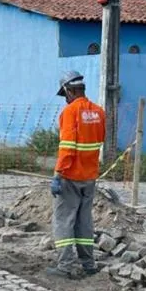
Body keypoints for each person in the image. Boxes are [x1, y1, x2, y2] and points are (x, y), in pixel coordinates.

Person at [48, 71, 106, 280]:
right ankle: (88, 264)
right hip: (89, 176)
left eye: (64, 95)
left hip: (70, 176)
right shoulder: (99, 112)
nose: (65, 99)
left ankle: (65, 266)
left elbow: (67, 148)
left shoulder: (70, 112)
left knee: (64, 220)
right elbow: (99, 143)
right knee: (84, 221)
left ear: (68, 90)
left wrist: (58, 174)